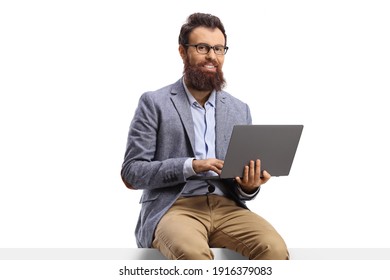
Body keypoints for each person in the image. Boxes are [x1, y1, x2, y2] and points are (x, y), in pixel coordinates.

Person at [121, 12, 289, 260]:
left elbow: (241, 186)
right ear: (182, 51)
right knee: (192, 255)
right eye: (203, 47)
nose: (212, 56)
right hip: (174, 207)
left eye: (219, 49)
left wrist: (248, 186)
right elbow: (132, 172)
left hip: (228, 208)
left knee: (273, 249)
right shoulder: (154, 103)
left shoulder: (238, 109)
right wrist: (191, 166)